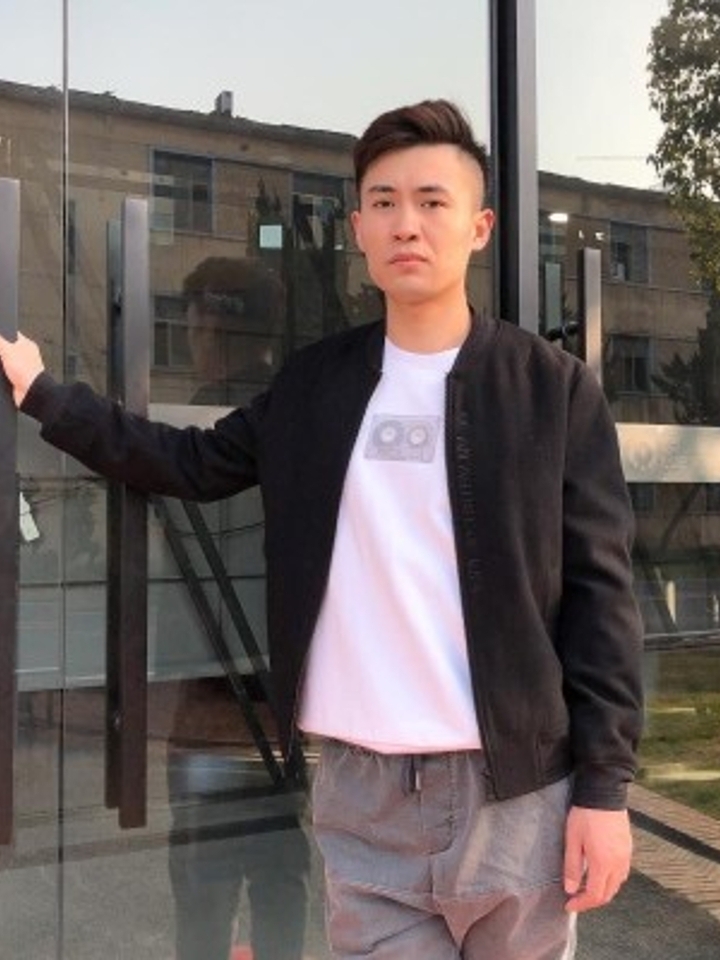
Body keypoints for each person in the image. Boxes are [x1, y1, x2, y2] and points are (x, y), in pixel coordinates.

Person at [0, 99, 643, 960]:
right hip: (359, 792)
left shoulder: (551, 389)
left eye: (432, 201)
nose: (406, 223)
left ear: (479, 227)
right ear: (358, 227)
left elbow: (603, 601)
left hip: (515, 791)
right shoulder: (315, 387)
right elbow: (188, 462)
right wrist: (45, 394)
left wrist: (604, 792)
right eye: (383, 202)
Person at [160, 257, 310, 960]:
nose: (191, 338)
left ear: (217, 326)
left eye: (193, 325)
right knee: (280, 874)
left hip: (215, 700)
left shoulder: (217, 418)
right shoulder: (294, 407)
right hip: (285, 697)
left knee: (204, 880)